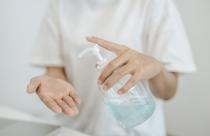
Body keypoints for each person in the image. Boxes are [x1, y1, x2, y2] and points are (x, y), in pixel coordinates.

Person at [26, 0, 196, 135]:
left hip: (139, 131)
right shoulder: (60, 4)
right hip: (76, 129)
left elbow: (168, 92)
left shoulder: (154, 4)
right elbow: (55, 69)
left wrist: (157, 67)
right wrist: (54, 81)